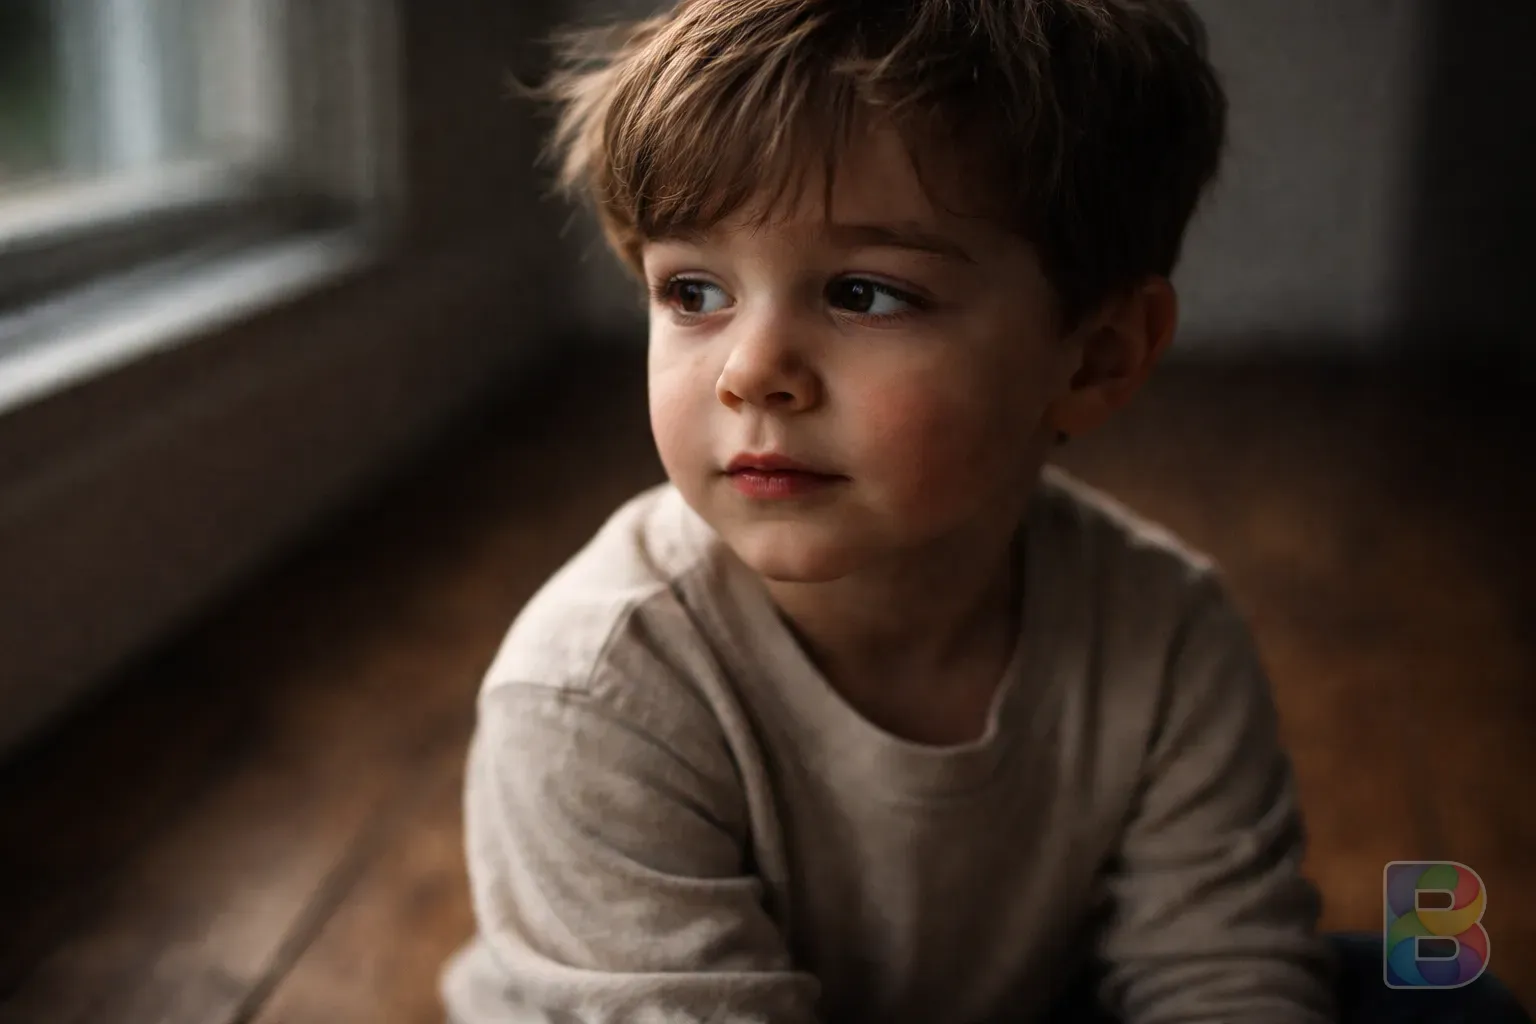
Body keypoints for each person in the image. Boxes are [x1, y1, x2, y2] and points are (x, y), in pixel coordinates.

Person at [440, 1, 1533, 1021]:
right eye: (693, 291)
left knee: (1441, 990)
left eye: (863, 291)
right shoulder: (593, 691)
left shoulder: (1164, 633)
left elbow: (1219, 974)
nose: (750, 370)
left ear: (1097, 355)